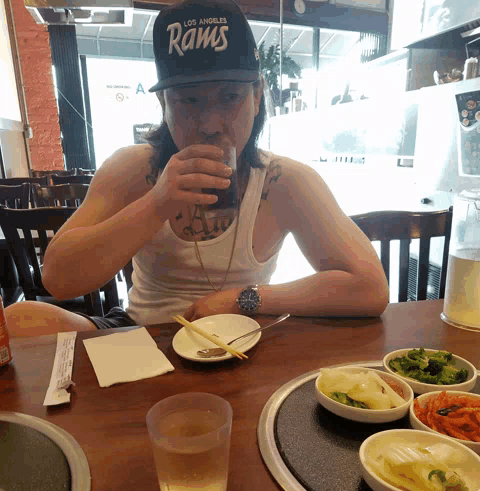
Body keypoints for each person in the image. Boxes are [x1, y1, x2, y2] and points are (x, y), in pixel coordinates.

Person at [6, 0, 388, 338]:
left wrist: (245, 299)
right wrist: (157, 202)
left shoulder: (285, 180)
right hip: (140, 332)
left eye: (230, 97)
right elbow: (57, 278)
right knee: (19, 318)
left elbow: (371, 288)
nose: (210, 123)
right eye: (189, 100)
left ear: (257, 97)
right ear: (164, 106)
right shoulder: (133, 167)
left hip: (238, 337)